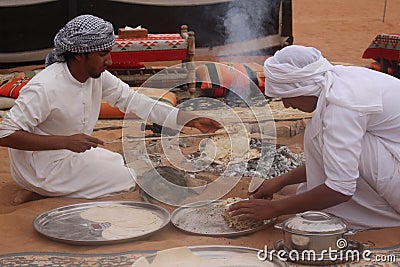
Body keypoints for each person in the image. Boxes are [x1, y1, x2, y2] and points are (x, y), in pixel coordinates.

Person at [0, 14, 221, 204]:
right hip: (42, 167)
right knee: (126, 179)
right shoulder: (45, 87)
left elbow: (133, 101)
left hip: (69, 155)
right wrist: (66, 142)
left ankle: (44, 191)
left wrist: (186, 119)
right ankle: (39, 190)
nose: (109, 60)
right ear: (79, 54)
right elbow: (5, 134)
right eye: (102, 54)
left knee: (115, 161)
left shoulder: (96, 76)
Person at [229, 45, 400, 230]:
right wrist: (280, 181)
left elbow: (341, 189)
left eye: (287, 97)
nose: (286, 105)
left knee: (326, 132)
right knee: (321, 131)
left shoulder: (343, 107)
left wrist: (275, 208)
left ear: (303, 87)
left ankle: (383, 214)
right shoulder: (335, 79)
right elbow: (332, 157)